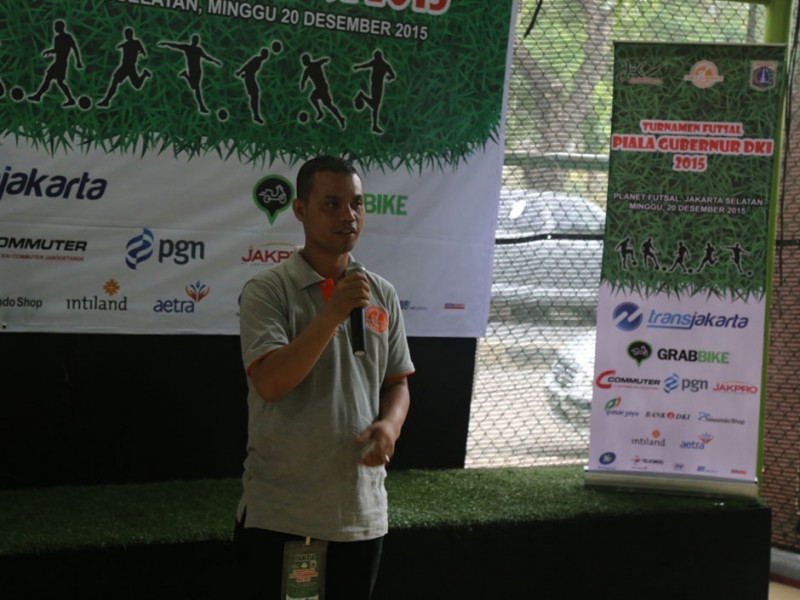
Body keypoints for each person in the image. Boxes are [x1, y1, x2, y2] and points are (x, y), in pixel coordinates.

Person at [234, 155, 415, 600]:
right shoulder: (268, 290)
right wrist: (332, 315)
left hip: (361, 514)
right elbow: (271, 383)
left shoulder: (381, 292)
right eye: (332, 204)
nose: (348, 216)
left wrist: (390, 426)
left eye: (357, 204)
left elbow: (397, 383)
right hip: (284, 514)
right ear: (300, 210)